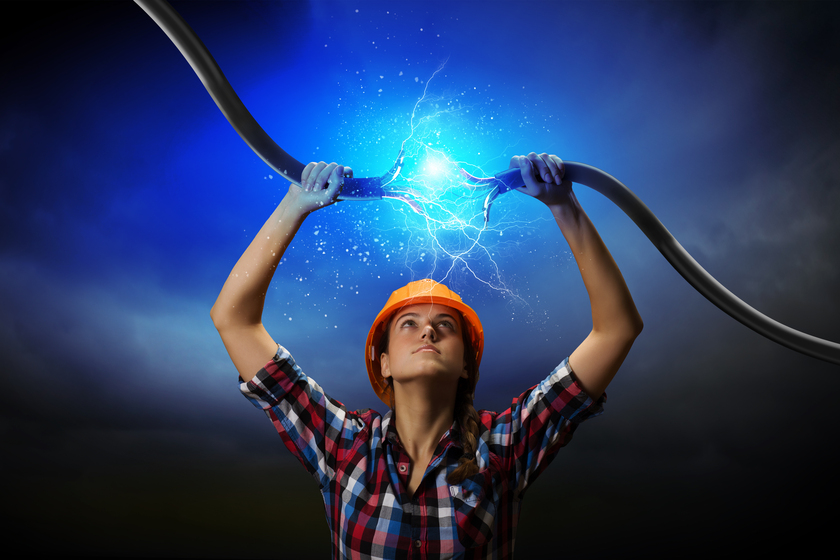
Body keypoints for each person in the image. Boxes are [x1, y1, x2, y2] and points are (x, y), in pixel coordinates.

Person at [210, 153, 643, 559]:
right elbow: (234, 319)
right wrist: (295, 205)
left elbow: (617, 329)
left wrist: (563, 204)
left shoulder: (506, 445)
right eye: (408, 324)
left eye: (445, 326)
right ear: (383, 362)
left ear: (466, 363)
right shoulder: (341, 445)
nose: (429, 330)